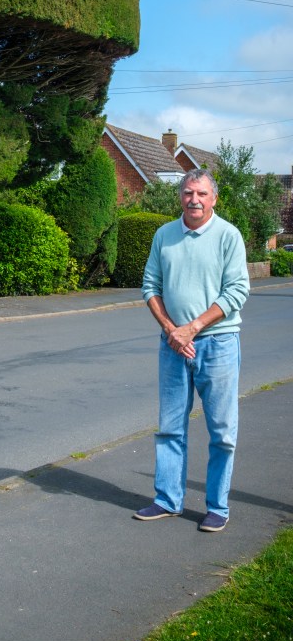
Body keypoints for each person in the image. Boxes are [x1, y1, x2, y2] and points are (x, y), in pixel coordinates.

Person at [134, 168, 250, 532]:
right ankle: (168, 500)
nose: (194, 200)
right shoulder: (164, 235)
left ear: (213, 198)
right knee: (170, 427)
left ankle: (217, 507)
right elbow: (150, 286)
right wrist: (173, 331)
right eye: (187, 193)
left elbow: (236, 292)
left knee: (222, 430)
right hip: (173, 346)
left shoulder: (228, 236)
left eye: (201, 193)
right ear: (180, 197)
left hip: (218, 344)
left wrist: (193, 328)